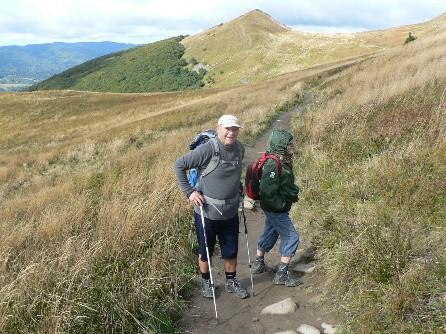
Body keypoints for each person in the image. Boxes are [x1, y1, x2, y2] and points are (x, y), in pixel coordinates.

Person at [173, 115, 249, 299]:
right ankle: (207, 282)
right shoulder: (208, 150)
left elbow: (235, 173)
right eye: (227, 128)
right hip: (206, 213)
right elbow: (179, 165)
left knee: (231, 250)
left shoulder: (240, 149)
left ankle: (231, 281)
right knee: (205, 250)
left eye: (235, 129)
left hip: (230, 212)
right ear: (218, 128)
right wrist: (190, 192)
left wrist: (238, 188)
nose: (231, 132)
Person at [251, 129, 301, 287]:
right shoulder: (273, 164)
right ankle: (282, 273)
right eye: (289, 144)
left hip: (272, 208)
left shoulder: (279, 159)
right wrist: (283, 204)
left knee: (270, 232)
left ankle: (258, 263)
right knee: (292, 237)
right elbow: (268, 193)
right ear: (281, 145)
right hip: (276, 209)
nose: (291, 146)